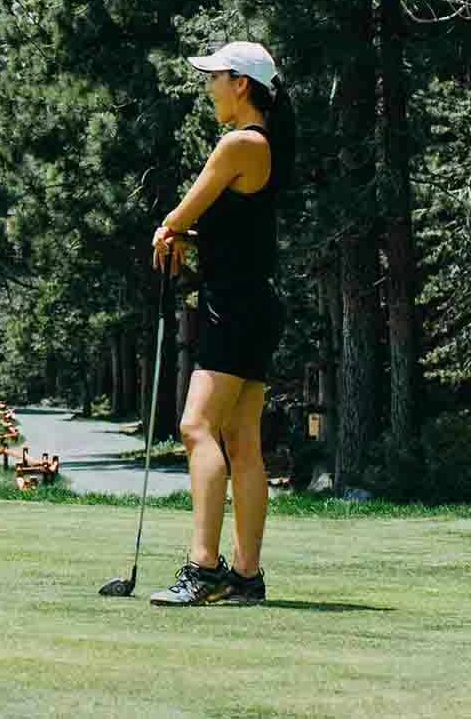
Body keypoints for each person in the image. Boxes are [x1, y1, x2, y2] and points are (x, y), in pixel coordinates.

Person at [146, 40, 293, 606]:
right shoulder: (265, 145)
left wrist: (170, 231)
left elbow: (182, 212)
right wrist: (188, 235)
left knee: (195, 427)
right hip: (252, 300)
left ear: (241, 84)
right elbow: (232, 227)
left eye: (216, 77)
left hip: (233, 305)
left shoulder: (240, 144)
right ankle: (246, 578)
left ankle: (203, 567)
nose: (209, 87)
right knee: (241, 439)